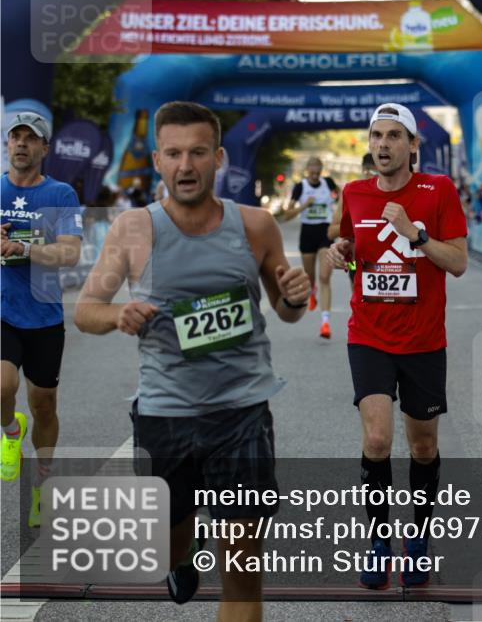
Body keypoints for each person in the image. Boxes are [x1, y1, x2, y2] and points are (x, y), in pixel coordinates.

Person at [75, 101, 310, 619]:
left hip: (242, 413)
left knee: (243, 574)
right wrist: (116, 314)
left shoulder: (256, 226)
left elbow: (287, 311)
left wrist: (295, 296)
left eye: (199, 152)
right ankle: (181, 553)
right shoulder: (133, 229)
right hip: (165, 416)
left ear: (218, 158)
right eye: (175, 153)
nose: (186, 165)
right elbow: (86, 310)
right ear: (158, 160)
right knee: (169, 544)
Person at [326, 103, 467, 589]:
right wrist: (342, 255)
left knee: (423, 446)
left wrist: (416, 235)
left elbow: (458, 263)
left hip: (423, 340)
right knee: (378, 440)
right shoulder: (354, 193)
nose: (382, 144)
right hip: (369, 334)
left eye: (392, 136)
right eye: (376, 136)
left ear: (412, 144)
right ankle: (379, 542)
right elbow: (353, 256)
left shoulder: (439, 190)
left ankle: (419, 538)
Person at [1, 113, 83, 530]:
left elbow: (70, 253)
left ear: (44, 149)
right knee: (2, 386)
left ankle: (42, 485)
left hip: (44, 315)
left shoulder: (60, 194)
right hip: (3, 310)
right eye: (15, 137)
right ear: (7, 144)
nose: (21, 143)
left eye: (30, 138)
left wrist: (23, 248)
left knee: (44, 405)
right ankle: (10, 431)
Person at [284, 157, 339, 338]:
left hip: (325, 233)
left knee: (325, 276)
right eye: (312, 173)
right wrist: (305, 205)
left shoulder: (328, 183)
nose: (315, 176)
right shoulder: (300, 187)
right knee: (310, 278)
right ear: (307, 171)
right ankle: (312, 292)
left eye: (318, 172)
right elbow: (287, 215)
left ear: (321, 171)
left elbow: (342, 197)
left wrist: (338, 213)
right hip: (307, 234)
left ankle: (325, 323)